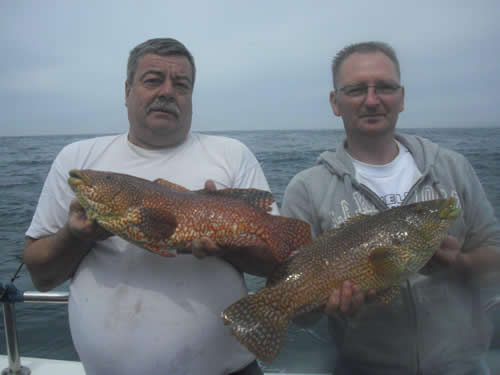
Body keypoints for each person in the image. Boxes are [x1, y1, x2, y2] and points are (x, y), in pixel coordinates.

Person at [23, 38, 279, 375]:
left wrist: (226, 244)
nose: (167, 92)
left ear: (190, 97)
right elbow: (40, 276)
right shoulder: (77, 159)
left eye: (181, 84)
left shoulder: (232, 154)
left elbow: (277, 262)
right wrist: (75, 235)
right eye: (153, 80)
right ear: (127, 91)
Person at [281, 41, 500, 375]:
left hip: (463, 366)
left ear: (401, 97)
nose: (372, 100)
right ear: (335, 102)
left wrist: (461, 262)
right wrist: (328, 305)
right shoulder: (306, 188)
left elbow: (494, 257)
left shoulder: (453, 168)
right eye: (355, 89)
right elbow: (299, 312)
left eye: (384, 87)